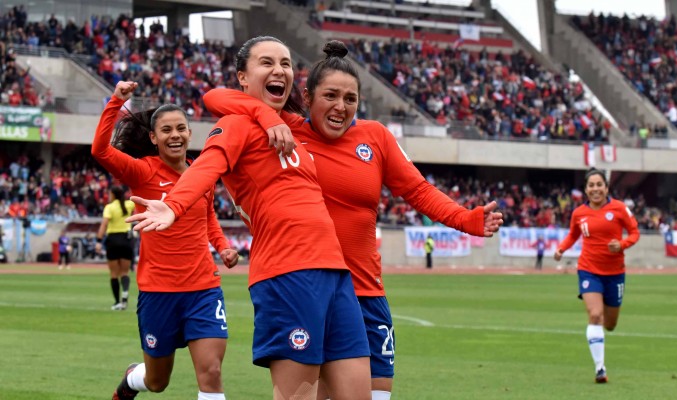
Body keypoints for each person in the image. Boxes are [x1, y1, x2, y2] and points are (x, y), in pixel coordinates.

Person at [200, 40, 503, 400]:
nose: (340, 107)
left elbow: (418, 191)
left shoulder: (375, 137)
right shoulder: (287, 129)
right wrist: (267, 116)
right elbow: (217, 98)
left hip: (365, 291)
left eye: (350, 99)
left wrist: (466, 219)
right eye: (330, 96)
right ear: (308, 98)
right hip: (305, 287)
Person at [124, 36, 372, 400]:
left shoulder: (291, 126)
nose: (279, 70)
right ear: (242, 77)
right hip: (289, 273)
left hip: (335, 273)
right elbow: (207, 160)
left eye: (286, 63)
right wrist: (174, 205)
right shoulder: (236, 125)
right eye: (266, 62)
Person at [92, 81, 240, 400]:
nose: (175, 135)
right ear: (153, 138)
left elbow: (208, 217)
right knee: (158, 382)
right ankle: (132, 379)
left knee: (211, 372)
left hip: (203, 288)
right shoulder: (142, 172)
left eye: (181, 129)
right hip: (159, 291)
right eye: (167, 130)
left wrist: (224, 247)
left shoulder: (201, 173)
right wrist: (116, 102)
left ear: (189, 133)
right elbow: (100, 151)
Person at [554, 168, 639, 384]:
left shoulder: (619, 209)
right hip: (588, 269)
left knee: (610, 324)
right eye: (591, 185)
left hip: (615, 273)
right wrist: (561, 249)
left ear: (606, 187)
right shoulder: (579, 213)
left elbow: (635, 233)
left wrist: (621, 244)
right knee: (595, 315)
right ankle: (600, 368)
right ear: (585, 189)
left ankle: (600, 340)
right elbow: (574, 234)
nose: (595, 189)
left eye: (599, 184)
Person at [96, 185, 135, 311]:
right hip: (126, 240)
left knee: (114, 273)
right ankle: (124, 298)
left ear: (113, 194)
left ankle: (117, 302)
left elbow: (104, 224)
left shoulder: (109, 207)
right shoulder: (129, 205)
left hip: (113, 240)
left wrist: (98, 240)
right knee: (125, 272)